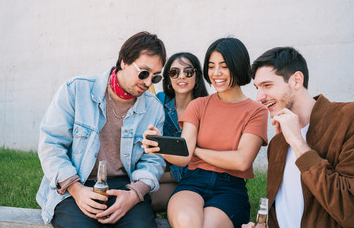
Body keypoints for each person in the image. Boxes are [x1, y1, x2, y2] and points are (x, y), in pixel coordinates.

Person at [36, 31, 167, 228]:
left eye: (155, 78)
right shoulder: (75, 90)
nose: (148, 83)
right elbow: (51, 145)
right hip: (76, 182)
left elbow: (153, 159)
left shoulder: (154, 108)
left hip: (126, 186)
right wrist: (76, 189)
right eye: (143, 73)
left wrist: (134, 194)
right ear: (124, 61)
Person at [143, 37, 268, 228]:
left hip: (230, 188)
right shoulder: (198, 105)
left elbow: (241, 161)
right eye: (211, 66)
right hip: (193, 182)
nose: (216, 73)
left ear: (238, 65)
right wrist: (159, 146)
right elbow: (184, 156)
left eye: (223, 66)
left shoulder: (256, 111)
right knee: (186, 222)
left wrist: (196, 151)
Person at [242, 47, 354, 227]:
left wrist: (298, 142)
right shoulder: (278, 142)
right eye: (257, 88)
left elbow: (349, 210)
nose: (259, 97)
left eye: (267, 85)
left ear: (296, 80)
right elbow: (282, 206)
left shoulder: (347, 119)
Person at [151, 52, 209, 212]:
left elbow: (196, 161)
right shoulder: (159, 103)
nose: (181, 76)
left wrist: (157, 178)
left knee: (148, 200)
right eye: (174, 72)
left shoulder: (207, 109)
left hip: (196, 179)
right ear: (168, 79)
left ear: (197, 76)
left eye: (188, 71)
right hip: (164, 173)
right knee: (140, 199)